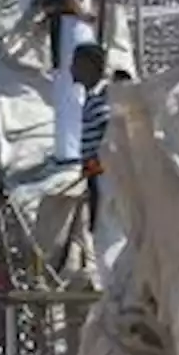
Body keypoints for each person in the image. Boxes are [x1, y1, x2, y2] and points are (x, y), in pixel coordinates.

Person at [36, 0, 98, 164]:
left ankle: (69, 149)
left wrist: (82, 14)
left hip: (69, 25)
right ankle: (72, 146)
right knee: (70, 86)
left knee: (67, 86)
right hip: (70, 24)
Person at [72, 43, 111, 232]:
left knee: (100, 223)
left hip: (101, 176)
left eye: (76, 64)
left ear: (89, 66)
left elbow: (109, 138)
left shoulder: (100, 101)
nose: (72, 69)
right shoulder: (91, 98)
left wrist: (95, 166)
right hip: (93, 173)